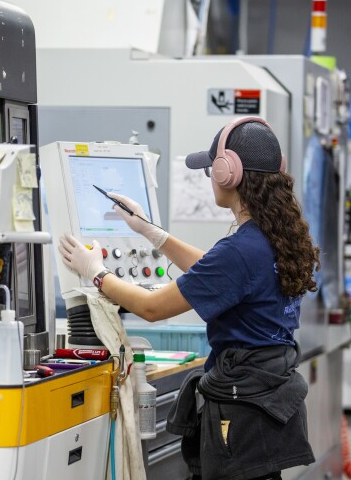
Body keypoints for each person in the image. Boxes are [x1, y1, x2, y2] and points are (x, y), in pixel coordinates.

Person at [58, 116, 319, 480]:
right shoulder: (272, 238)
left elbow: (152, 308)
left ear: (229, 173)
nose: (210, 175)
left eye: (212, 167)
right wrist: (151, 232)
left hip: (241, 411)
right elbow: (214, 272)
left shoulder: (241, 250)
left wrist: (96, 273)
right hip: (266, 407)